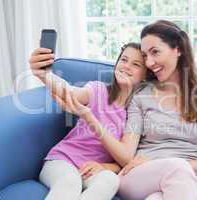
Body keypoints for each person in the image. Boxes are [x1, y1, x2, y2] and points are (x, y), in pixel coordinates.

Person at [57, 20, 197, 200]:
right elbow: (126, 153)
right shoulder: (141, 94)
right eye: (145, 55)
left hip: (188, 176)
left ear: (178, 48)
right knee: (178, 172)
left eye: (155, 52)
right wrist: (44, 75)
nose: (149, 62)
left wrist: (173, 165)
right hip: (139, 174)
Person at [29, 42, 148, 200]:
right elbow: (70, 92)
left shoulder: (138, 114)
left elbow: (126, 159)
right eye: (124, 60)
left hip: (91, 170)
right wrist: (45, 75)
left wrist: (107, 167)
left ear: (145, 75)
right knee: (70, 181)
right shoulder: (98, 91)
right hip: (62, 160)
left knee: (111, 180)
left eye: (136, 64)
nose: (126, 66)